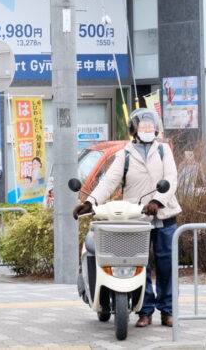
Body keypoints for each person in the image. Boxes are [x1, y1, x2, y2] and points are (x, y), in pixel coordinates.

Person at [73, 108, 181, 328]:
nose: (148, 130)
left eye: (151, 127)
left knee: (166, 266)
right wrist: (90, 202)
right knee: (139, 266)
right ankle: (145, 311)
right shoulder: (125, 154)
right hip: (136, 218)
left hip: (164, 216)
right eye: (143, 127)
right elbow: (109, 181)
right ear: (134, 129)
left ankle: (168, 311)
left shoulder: (163, 150)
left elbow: (172, 177)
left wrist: (158, 202)